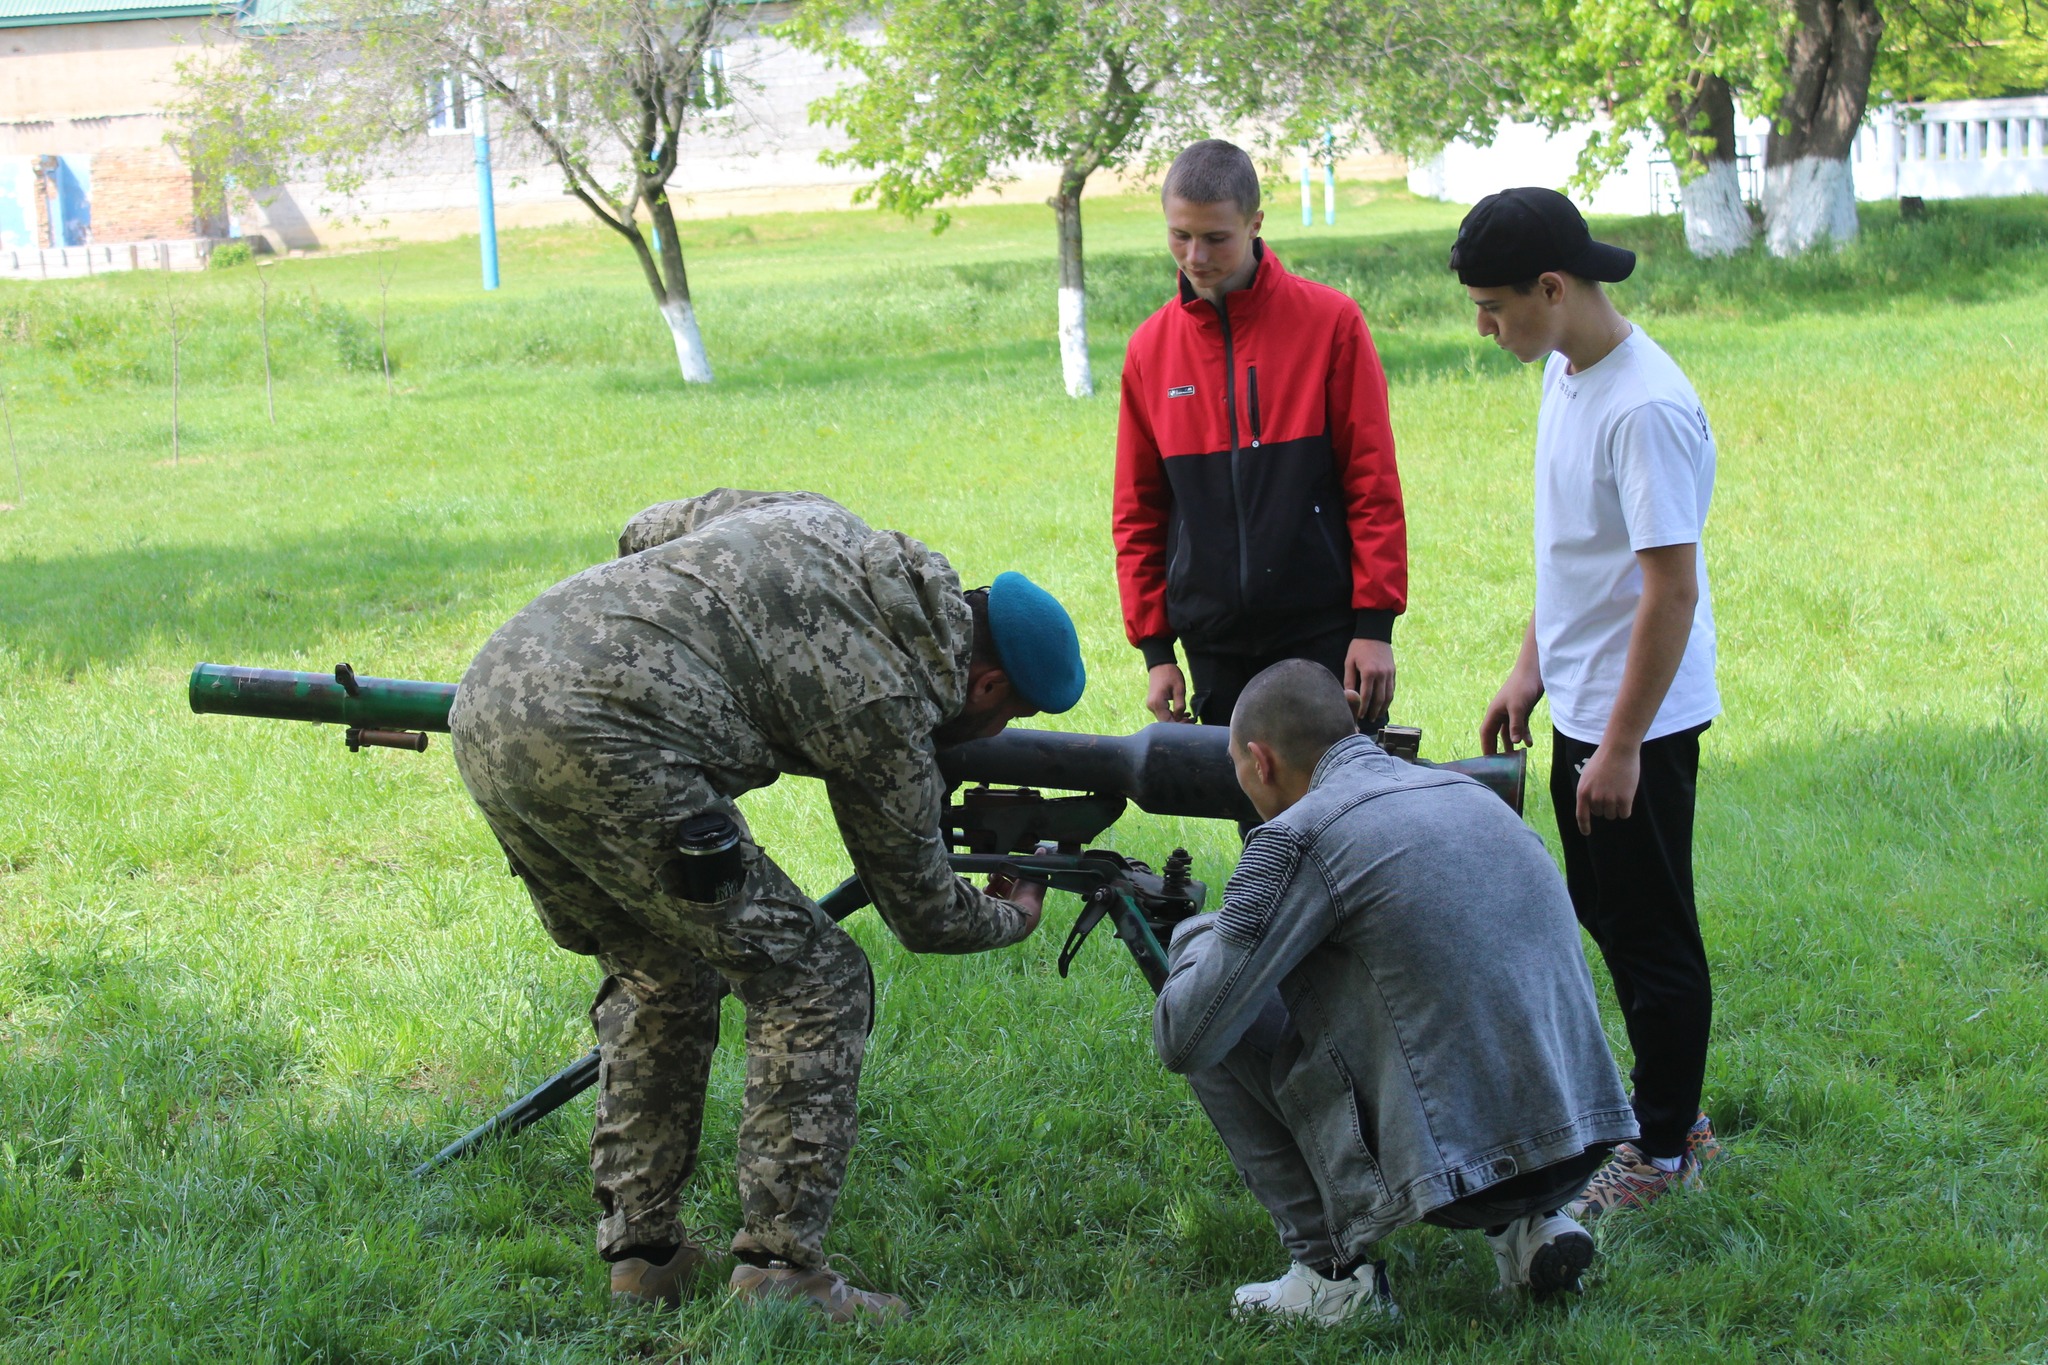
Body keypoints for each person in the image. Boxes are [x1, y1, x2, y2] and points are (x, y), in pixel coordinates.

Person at [447, 489, 1086, 1322]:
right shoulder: (884, 699)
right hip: (611, 743)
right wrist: (1015, 912)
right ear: (989, 680)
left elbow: (646, 526)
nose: (993, 729)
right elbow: (922, 911)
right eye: (1004, 715)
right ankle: (780, 1272)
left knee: (660, 974)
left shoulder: (816, 520)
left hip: (493, 699)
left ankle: (646, 1257)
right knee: (815, 979)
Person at [1153, 660, 1636, 1323]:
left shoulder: (1295, 838)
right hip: (1580, 1145)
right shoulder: (1466, 791)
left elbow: (1186, 1033)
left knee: (1213, 998)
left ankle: (1330, 1277)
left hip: (1459, 1182)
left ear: (1260, 761)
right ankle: (1536, 1229)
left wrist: (1191, 936)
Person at [1453, 187, 1724, 1220]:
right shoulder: (1567, 373)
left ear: (1552, 289)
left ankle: (1662, 1148)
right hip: (1585, 706)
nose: (1482, 327)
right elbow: (1577, 555)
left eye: (1491, 306)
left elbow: (1668, 589)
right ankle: (1673, 1112)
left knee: (1649, 933)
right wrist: (1531, 666)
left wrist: (1614, 748)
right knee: (1603, 914)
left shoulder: (1643, 405)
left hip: (1636, 722)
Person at [1112, 138, 1406, 731]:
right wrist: (1156, 652)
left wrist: (1374, 626)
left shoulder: (1331, 324)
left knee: (1344, 808)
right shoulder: (1149, 349)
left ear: (1254, 225)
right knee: (1253, 821)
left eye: (1216, 237)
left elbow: (1371, 480)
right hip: (1213, 640)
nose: (1195, 255)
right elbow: (1138, 510)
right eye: (1179, 235)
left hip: (1323, 628)